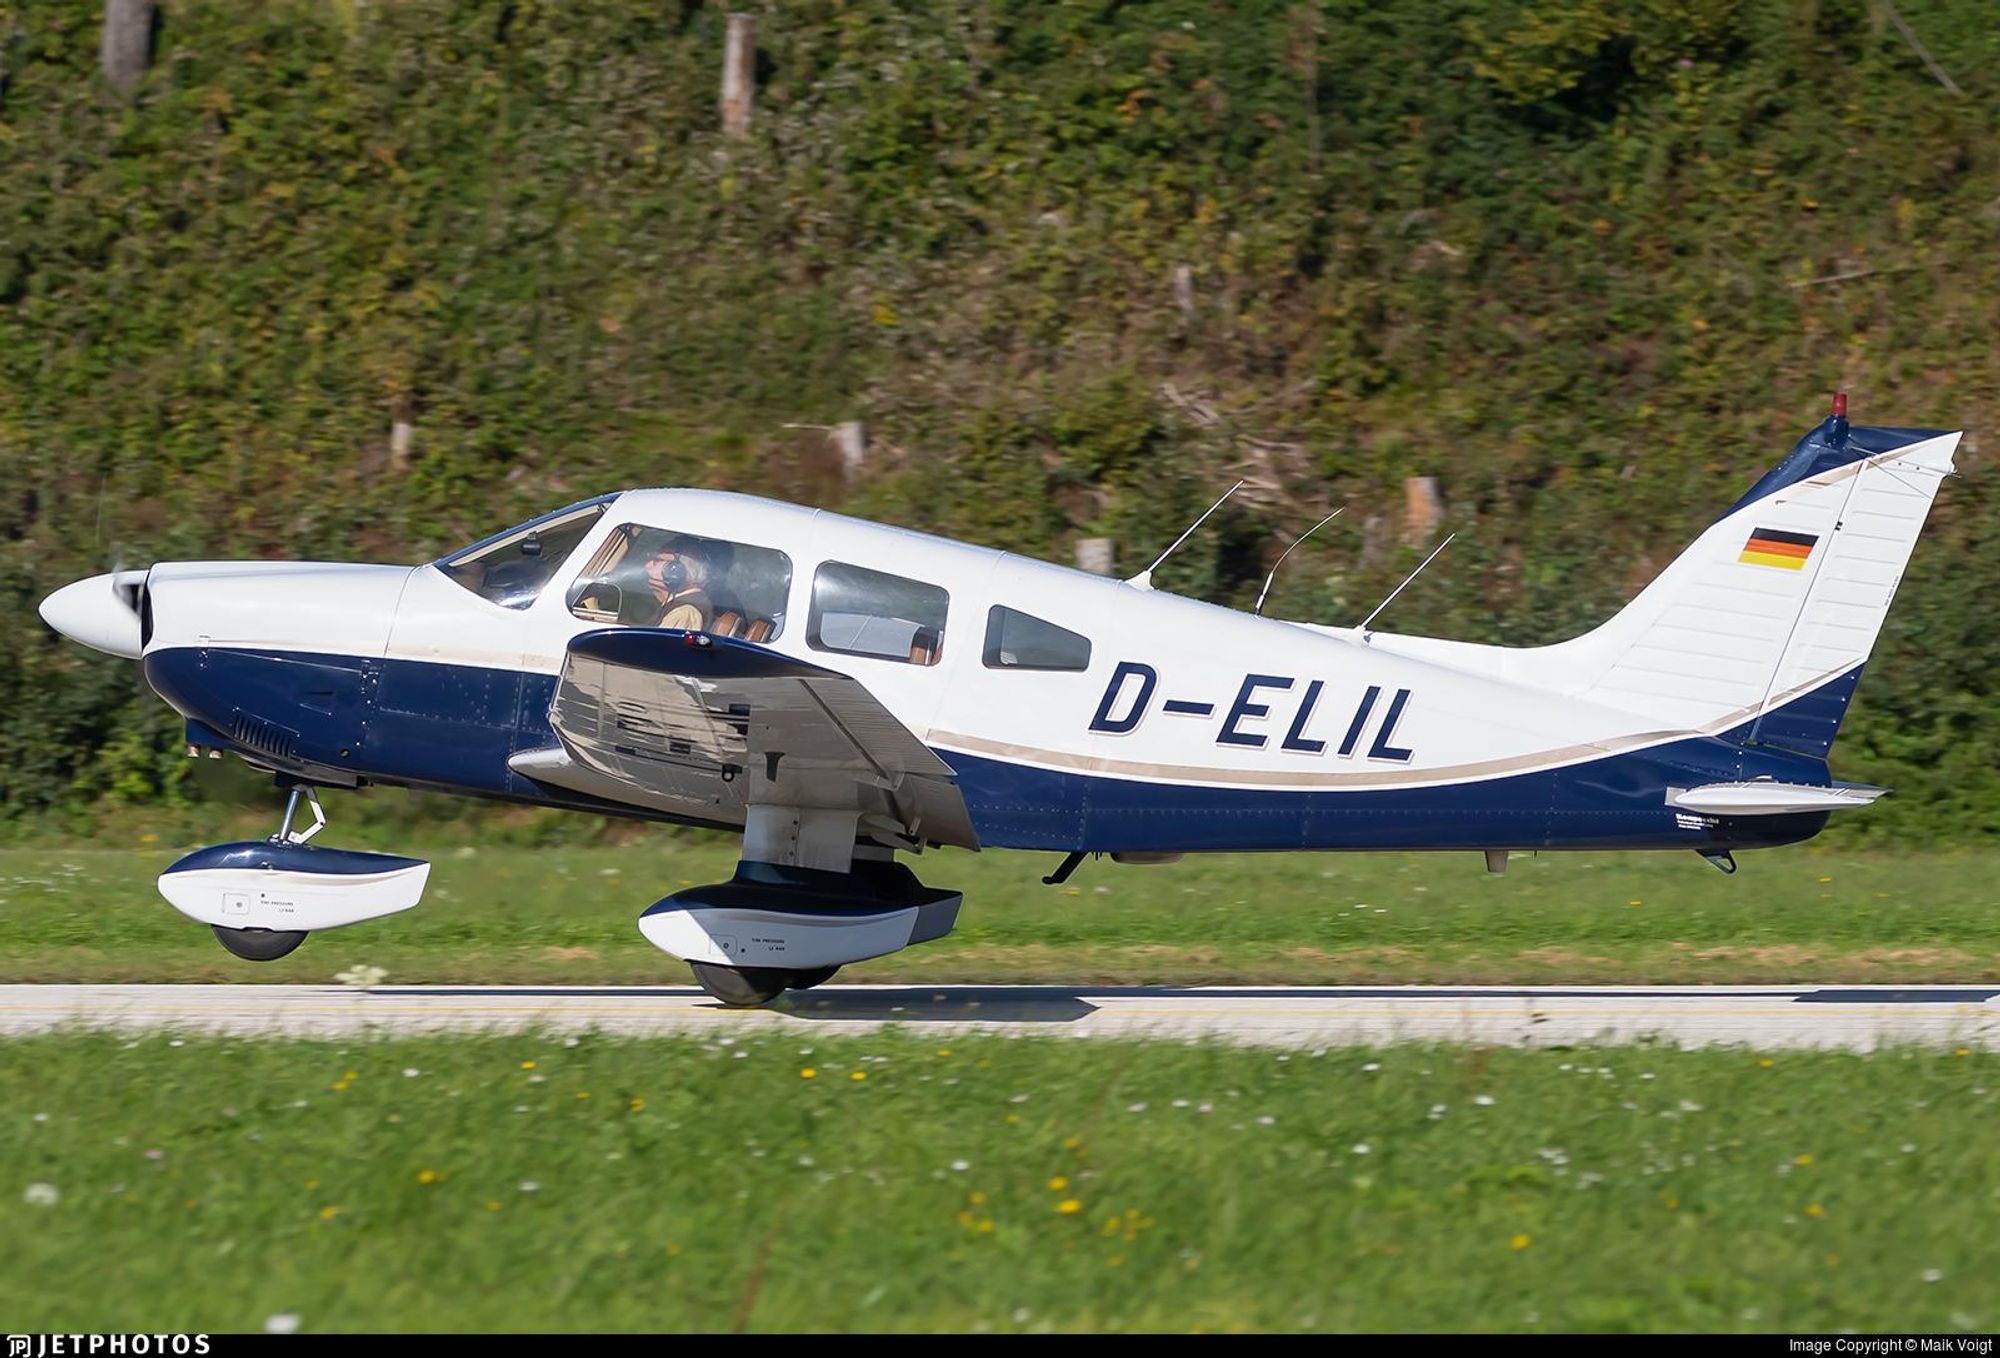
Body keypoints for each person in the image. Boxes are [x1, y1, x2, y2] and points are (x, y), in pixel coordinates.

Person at [638, 538, 712, 631]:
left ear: (677, 571)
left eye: (658, 560)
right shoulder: (678, 605)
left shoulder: (684, 612)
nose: (647, 566)